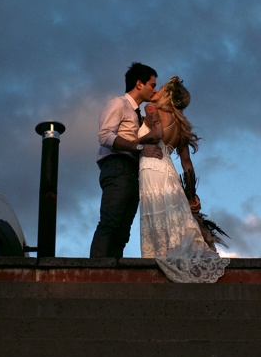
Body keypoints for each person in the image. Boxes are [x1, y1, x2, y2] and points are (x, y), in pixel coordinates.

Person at [138, 75, 229, 283]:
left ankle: (159, 255)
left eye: (160, 88)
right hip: (168, 169)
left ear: (168, 93)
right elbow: (187, 164)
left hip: (151, 167)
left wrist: (135, 142)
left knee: (157, 214)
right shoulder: (180, 123)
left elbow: (155, 134)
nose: (156, 91)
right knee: (173, 215)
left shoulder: (151, 110)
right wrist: (191, 195)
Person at [89, 62, 163, 258]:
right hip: (116, 167)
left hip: (131, 172)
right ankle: (95, 275)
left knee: (123, 232)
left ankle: (112, 279)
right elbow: (105, 137)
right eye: (152, 85)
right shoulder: (118, 104)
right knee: (110, 222)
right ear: (139, 84)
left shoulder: (138, 113)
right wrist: (140, 147)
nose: (154, 90)